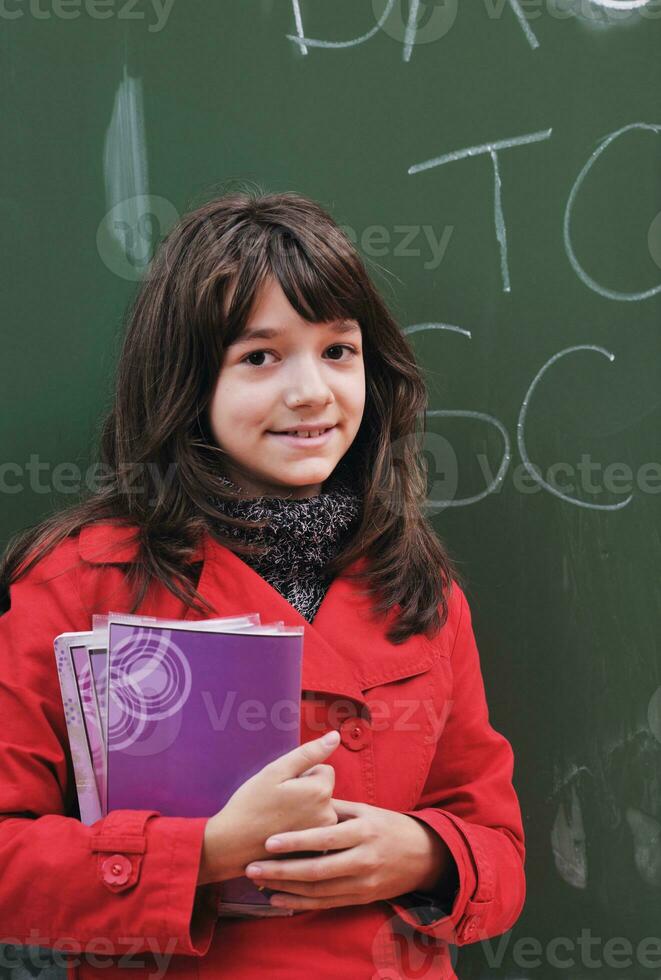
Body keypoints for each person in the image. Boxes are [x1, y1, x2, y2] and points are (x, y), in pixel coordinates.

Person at [0, 189, 525, 979]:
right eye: (259, 357)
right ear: (185, 383)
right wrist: (201, 854)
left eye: (337, 351)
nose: (311, 391)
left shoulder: (418, 587)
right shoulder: (79, 581)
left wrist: (422, 854)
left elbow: (498, 844)